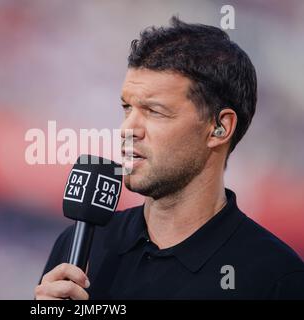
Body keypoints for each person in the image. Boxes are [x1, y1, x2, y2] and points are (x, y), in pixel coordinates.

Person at [34, 16, 304, 300]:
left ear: (219, 127)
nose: (128, 129)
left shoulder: (275, 278)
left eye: (155, 111)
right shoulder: (80, 248)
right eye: (127, 108)